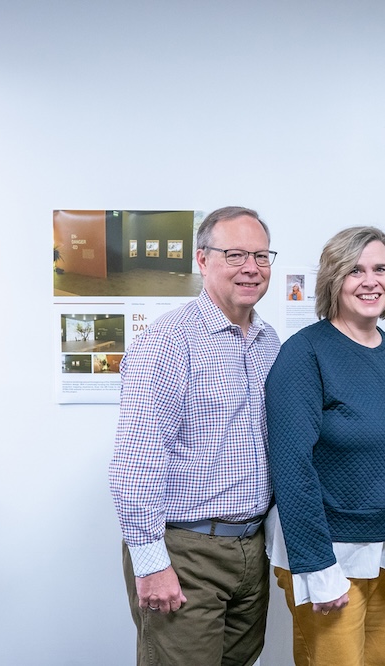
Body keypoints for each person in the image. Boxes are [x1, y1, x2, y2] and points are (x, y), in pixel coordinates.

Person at [109, 206, 281, 666]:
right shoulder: (169, 341)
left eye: (262, 256)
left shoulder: (270, 342)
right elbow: (136, 460)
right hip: (184, 551)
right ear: (203, 261)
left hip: (251, 549)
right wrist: (151, 563)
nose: (251, 267)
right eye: (236, 254)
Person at [264, 226, 385, 666]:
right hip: (327, 552)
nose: (370, 281)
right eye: (355, 270)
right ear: (334, 281)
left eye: (380, 269)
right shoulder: (304, 354)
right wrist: (316, 567)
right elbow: (291, 466)